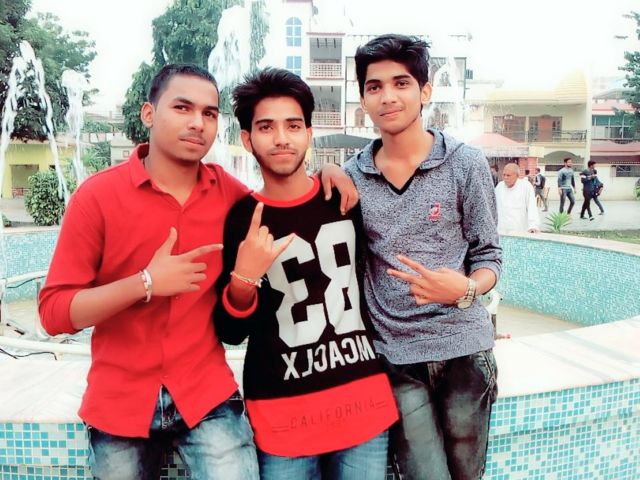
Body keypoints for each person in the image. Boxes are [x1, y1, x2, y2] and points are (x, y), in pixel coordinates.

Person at [39, 64, 356, 479]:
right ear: (149, 113)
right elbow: (54, 313)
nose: (197, 123)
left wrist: (328, 172)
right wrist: (145, 283)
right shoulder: (97, 197)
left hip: (205, 395)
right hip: (120, 400)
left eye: (209, 113)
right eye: (182, 108)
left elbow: (284, 197)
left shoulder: (230, 196)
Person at [214, 68, 398, 480]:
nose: (282, 138)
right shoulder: (242, 218)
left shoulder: (343, 197)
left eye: (293, 126)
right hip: (283, 416)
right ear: (247, 139)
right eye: (266, 127)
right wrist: (244, 279)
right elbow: (230, 332)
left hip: (363, 406)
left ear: (309, 133)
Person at [345, 34, 502, 480]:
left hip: (465, 351)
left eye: (401, 83)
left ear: (425, 91)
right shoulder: (353, 176)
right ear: (363, 99)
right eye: (374, 87)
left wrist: (466, 288)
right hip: (396, 358)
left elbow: (490, 255)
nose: (388, 97)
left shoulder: (465, 164)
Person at [495, 163, 540, 234]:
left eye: (508, 175)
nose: (505, 177)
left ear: (517, 176)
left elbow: (532, 207)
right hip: (501, 230)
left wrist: (533, 225)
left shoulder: (526, 187)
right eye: (504, 175)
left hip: (519, 230)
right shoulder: (499, 187)